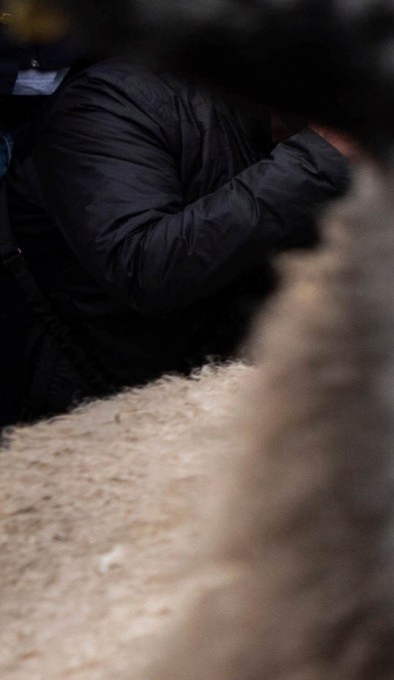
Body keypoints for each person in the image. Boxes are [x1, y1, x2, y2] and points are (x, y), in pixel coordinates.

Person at [0, 60, 351, 426]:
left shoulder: (314, 141)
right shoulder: (115, 100)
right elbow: (144, 270)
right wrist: (320, 158)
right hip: (79, 405)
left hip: (210, 404)